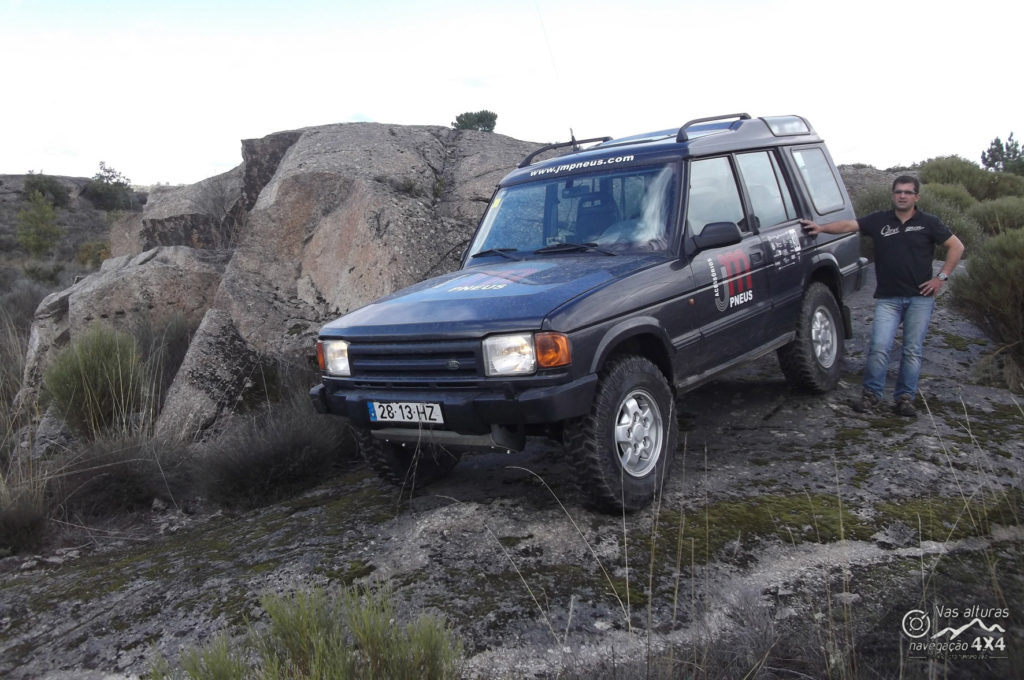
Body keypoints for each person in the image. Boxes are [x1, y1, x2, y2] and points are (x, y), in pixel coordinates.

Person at [800, 176, 965, 418]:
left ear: (916, 197)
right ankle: (871, 396)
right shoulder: (879, 220)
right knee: (879, 347)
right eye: (898, 191)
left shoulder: (929, 223)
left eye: (908, 192)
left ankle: (905, 399)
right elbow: (849, 226)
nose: (902, 196)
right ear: (893, 195)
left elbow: (957, 246)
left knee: (912, 350)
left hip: (920, 298)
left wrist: (941, 278)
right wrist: (821, 228)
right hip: (888, 298)